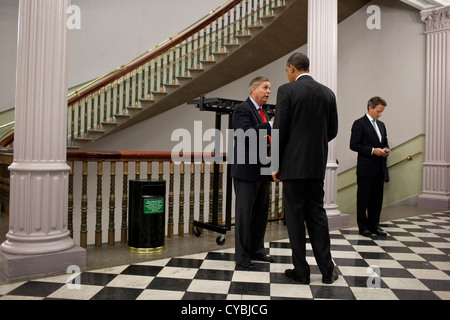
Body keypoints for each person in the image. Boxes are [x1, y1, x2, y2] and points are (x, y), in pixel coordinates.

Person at [272, 53, 339, 285]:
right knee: (317, 215)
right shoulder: (327, 93)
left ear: (291, 68)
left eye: (286, 70)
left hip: (292, 166)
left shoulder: (286, 91)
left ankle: (301, 270)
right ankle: (327, 270)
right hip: (316, 165)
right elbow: (333, 130)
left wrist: (276, 164)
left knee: (295, 218)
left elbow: (279, 130)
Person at [231, 76, 274, 270]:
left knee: (260, 214)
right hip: (246, 171)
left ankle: (257, 250)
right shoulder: (242, 109)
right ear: (254, 89)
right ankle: (242, 256)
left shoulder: (263, 112)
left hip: (263, 171)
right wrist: (270, 126)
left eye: (269, 89)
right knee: (244, 215)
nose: (268, 92)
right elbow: (245, 134)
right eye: (265, 88)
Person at [350, 97, 391, 238]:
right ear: (370, 108)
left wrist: (386, 149)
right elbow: (354, 145)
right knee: (363, 200)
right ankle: (363, 227)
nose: (380, 114)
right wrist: (373, 150)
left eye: (381, 112)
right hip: (366, 169)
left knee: (377, 200)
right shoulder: (359, 124)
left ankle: (374, 226)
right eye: (378, 111)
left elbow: (385, 142)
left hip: (380, 169)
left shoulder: (382, 125)